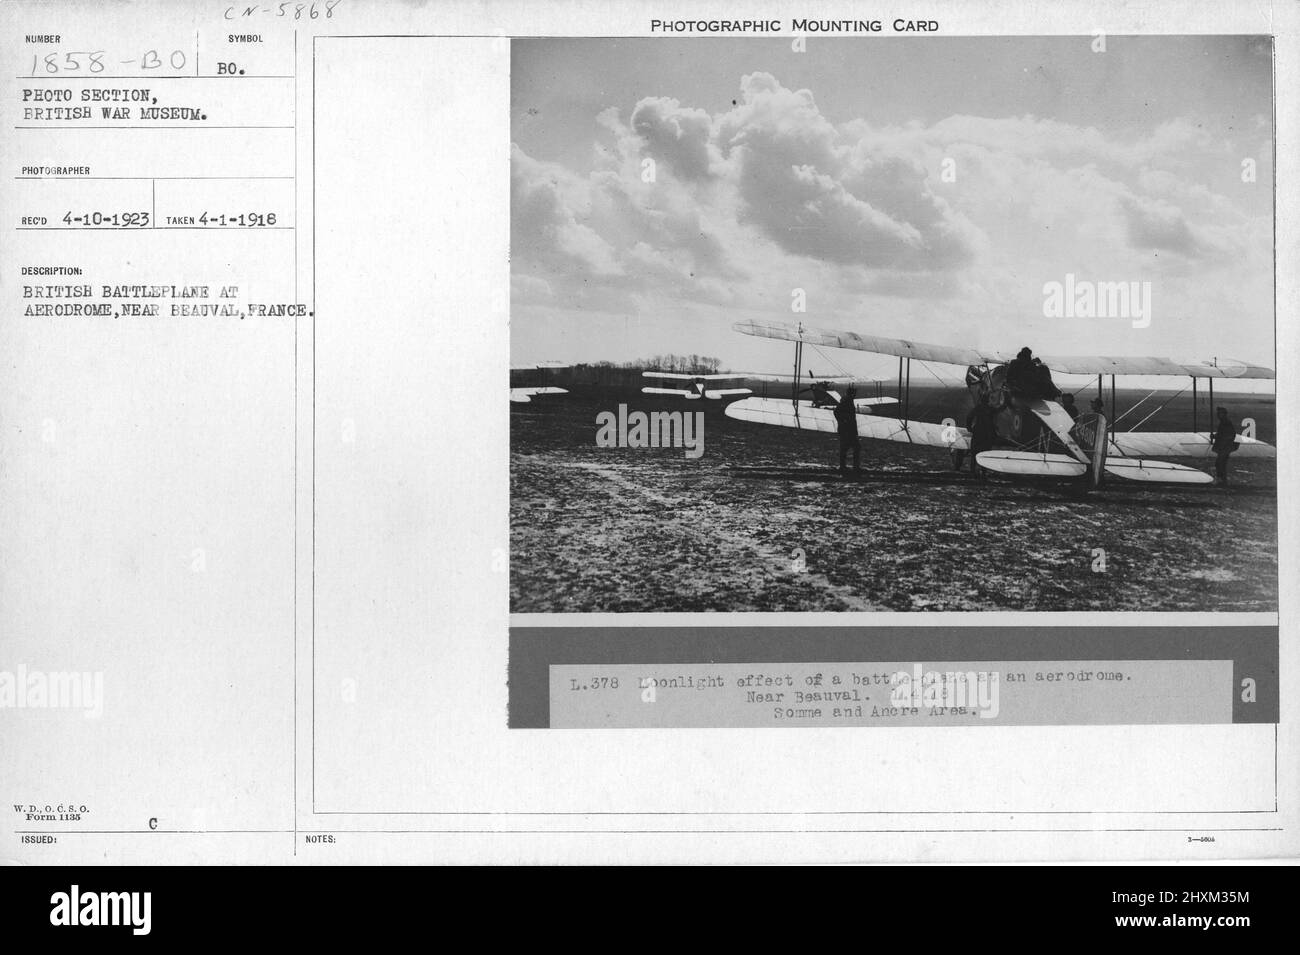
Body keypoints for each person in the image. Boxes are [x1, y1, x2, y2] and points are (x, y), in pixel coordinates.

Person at [966, 394, 997, 479]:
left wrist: (969, 427)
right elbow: (1000, 409)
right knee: (985, 454)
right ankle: (983, 473)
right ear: (987, 400)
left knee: (974, 453)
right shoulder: (990, 409)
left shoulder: (978, 408)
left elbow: (969, 417)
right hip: (987, 434)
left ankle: (972, 472)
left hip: (977, 433)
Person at [834, 386, 861, 474]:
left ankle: (844, 467)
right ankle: (852, 467)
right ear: (852, 393)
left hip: (847, 429)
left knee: (846, 448)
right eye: (854, 393)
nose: (855, 395)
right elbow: (836, 411)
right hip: (847, 430)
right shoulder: (847, 401)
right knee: (854, 447)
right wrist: (844, 421)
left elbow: (837, 412)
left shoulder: (847, 400)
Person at [1211, 406, 1238, 486]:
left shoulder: (1226, 423)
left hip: (1225, 447)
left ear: (1224, 414)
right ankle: (1222, 480)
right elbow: (1223, 434)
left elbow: (1230, 435)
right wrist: (1215, 436)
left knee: (1220, 463)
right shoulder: (1224, 422)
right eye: (1218, 413)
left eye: (1220, 413)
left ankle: (1222, 481)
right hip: (1225, 447)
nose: (1218, 415)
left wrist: (1220, 439)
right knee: (1220, 463)